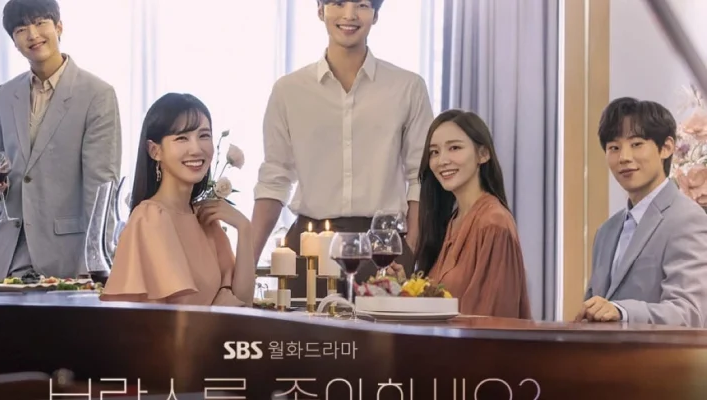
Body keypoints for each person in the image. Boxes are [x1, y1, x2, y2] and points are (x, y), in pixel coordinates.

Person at [251, 0, 434, 296]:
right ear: (320, 10)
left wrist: (410, 249)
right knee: (306, 327)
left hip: (383, 248)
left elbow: (420, 177)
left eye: (361, 5)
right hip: (309, 247)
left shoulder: (407, 87)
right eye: (338, 3)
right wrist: (246, 262)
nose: (349, 15)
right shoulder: (288, 91)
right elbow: (275, 178)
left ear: (375, 15)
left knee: (382, 329)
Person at [0, 0, 122, 281]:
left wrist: (96, 261)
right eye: (21, 29)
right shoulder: (5, 94)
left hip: (67, 254)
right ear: (14, 42)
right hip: (9, 253)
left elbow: (101, 187)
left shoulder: (97, 94)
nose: (32, 34)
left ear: (59, 27)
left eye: (40, 23)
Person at [101, 93, 254, 306]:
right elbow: (159, 318)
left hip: (218, 329)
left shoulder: (205, 218)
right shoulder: (150, 218)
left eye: (204, 135)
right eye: (182, 138)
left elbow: (243, 303)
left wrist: (244, 228)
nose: (196, 149)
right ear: (155, 150)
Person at [575, 97, 707, 327]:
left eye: (636, 144)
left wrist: (621, 311)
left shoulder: (688, 220)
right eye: (614, 148)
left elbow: (689, 313)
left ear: (666, 148)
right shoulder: (606, 231)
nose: (624, 157)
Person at [388, 110, 531, 319]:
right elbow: (446, 304)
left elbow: (493, 320)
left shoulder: (493, 224)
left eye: (454, 148)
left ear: (483, 154)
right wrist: (405, 287)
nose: (442, 160)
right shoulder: (451, 221)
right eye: (434, 152)